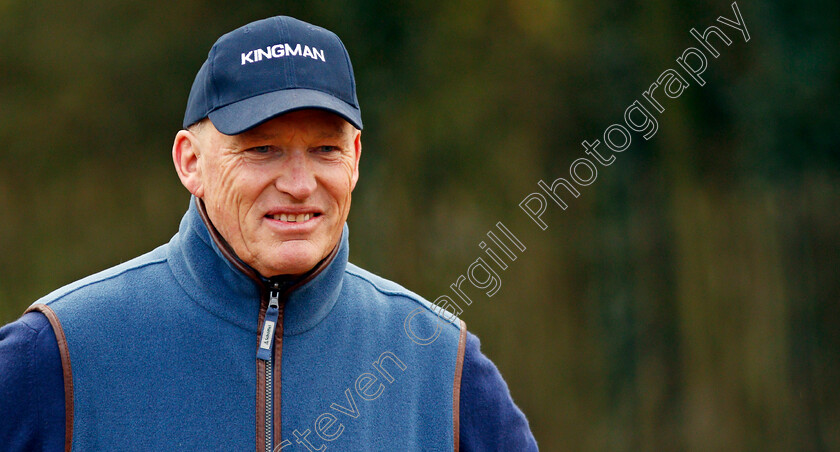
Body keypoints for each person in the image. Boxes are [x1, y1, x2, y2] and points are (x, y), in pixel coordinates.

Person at [0, 16, 537, 451]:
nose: (300, 185)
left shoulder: (443, 365)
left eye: (324, 149)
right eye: (262, 149)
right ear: (191, 162)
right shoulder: (56, 352)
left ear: (354, 160)